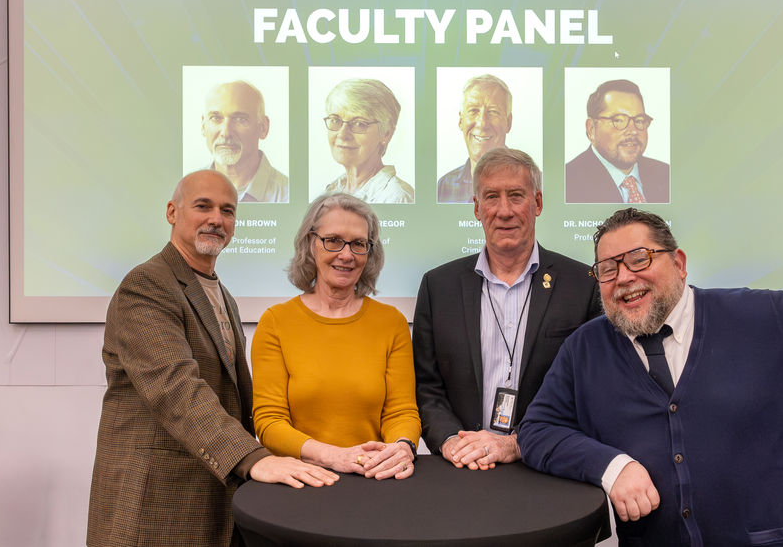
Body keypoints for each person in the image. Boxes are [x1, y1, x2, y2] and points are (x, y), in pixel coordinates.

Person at [518, 208, 783, 547]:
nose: (623, 277)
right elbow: (538, 429)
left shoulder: (762, 315)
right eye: (607, 268)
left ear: (679, 263)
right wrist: (612, 467)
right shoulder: (586, 347)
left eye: (639, 258)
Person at [87, 170, 336, 547]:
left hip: (211, 498)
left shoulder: (223, 296)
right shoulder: (147, 285)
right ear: (172, 212)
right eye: (203, 206)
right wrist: (253, 459)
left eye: (228, 211)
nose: (216, 219)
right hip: (154, 504)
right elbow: (176, 389)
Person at [413, 148, 601, 470]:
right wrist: (451, 441)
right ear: (476, 208)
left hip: (545, 466)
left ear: (538, 203)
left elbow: (590, 388)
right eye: (491, 197)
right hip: (461, 466)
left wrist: (518, 442)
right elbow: (426, 386)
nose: (504, 211)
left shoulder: (583, 285)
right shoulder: (437, 286)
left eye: (516, 195)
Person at [252, 193, 420, 480]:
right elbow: (269, 421)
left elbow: (401, 411)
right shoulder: (276, 322)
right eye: (333, 240)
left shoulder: (391, 322)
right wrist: (332, 456)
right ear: (310, 243)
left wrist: (402, 448)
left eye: (358, 244)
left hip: (373, 478)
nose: (346, 254)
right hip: (301, 481)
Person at [565, 79, 670, 203]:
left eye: (639, 120)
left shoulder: (666, 174)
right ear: (592, 129)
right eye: (619, 120)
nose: (633, 131)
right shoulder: (567, 181)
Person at [322, 78, 414, 203]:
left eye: (359, 123)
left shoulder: (397, 197)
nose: (343, 134)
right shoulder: (330, 191)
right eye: (335, 120)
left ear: (386, 134)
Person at [202, 80, 290, 202]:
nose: (226, 132)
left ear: (264, 127)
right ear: (203, 126)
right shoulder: (187, 190)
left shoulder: (287, 196)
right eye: (216, 118)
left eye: (240, 119)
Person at [437, 73, 513, 203]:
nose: (482, 123)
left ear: (508, 122)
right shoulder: (443, 186)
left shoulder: (533, 180)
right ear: (461, 121)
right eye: (473, 111)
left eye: (493, 111)